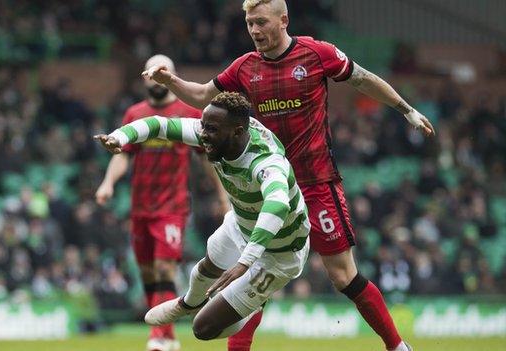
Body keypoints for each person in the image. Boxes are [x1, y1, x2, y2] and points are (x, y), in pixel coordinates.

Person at [142, 1, 434, 350]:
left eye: (261, 22)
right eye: (249, 23)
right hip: (267, 186)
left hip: (315, 184)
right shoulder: (245, 67)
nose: (254, 30)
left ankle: (397, 346)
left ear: (284, 20)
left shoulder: (316, 54)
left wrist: (407, 110)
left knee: (343, 276)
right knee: (256, 276)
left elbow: (363, 79)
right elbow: (204, 95)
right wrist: (170, 80)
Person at [95, 92, 310, 343]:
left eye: (212, 129)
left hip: (279, 251)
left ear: (238, 132)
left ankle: (249, 306)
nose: (203, 135)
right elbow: (158, 124)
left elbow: (277, 206)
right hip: (241, 225)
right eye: (203, 126)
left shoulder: (266, 162)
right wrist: (119, 137)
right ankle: (187, 304)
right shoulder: (216, 132)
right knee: (207, 267)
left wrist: (245, 262)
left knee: (203, 329)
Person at [95, 54, 227, 351]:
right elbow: (123, 155)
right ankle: (167, 335)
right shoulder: (134, 114)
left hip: (173, 206)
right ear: (145, 78)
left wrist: (222, 195)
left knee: (165, 268)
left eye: (162, 71)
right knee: (148, 274)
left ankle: (157, 337)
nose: (155, 77)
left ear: (171, 74)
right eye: (151, 73)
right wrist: (108, 183)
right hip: (140, 206)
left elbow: (206, 158)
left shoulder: (187, 113)